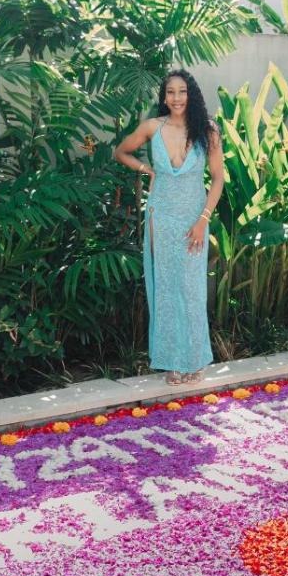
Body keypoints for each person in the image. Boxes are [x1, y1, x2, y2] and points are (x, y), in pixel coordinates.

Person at [113, 69, 224, 385]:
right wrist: (146, 169)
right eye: (171, 92)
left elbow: (218, 179)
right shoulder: (152, 127)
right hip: (160, 216)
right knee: (165, 288)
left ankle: (195, 359)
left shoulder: (207, 130)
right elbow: (120, 152)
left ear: (192, 95)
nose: (177, 98)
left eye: (182, 91)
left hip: (193, 219)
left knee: (191, 289)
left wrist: (203, 220)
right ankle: (171, 361)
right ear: (164, 96)